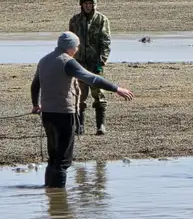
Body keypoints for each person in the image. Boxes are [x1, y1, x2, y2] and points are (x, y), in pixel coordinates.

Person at [31, 32, 134, 189]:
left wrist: (35, 105)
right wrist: (116, 88)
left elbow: (35, 85)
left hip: (47, 115)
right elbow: (92, 78)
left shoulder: (44, 60)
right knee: (63, 161)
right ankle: (59, 201)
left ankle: (51, 196)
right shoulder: (68, 62)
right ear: (70, 47)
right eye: (76, 46)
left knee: (53, 158)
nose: (77, 49)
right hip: (64, 115)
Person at [68, 0, 112, 135]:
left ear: (94, 5)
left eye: (90, 3)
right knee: (79, 95)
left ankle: (101, 126)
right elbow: (71, 42)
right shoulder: (74, 20)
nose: (88, 6)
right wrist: (70, 60)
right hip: (79, 63)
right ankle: (79, 126)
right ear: (81, 5)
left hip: (95, 63)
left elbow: (106, 42)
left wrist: (102, 61)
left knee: (98, 94)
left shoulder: (101, 20)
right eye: (85, 3)